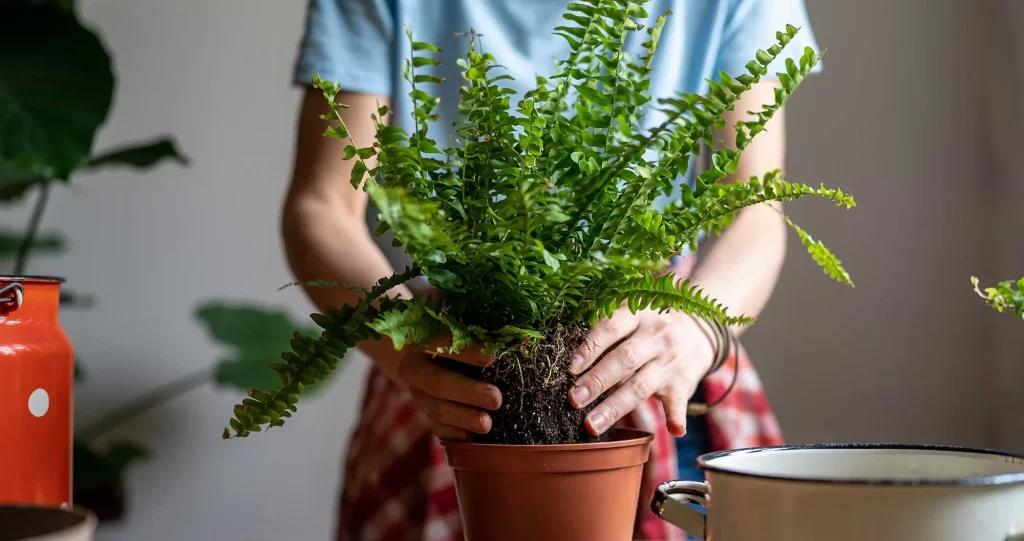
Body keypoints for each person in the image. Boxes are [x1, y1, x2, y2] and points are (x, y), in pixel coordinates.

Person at [284, 1, 820, 540]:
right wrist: (405, 342)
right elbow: (323, 205)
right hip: (454, 370)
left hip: (660, 353)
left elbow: (755, 210)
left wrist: (699, 329)